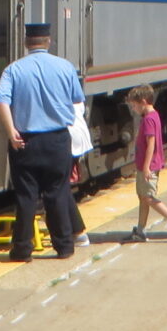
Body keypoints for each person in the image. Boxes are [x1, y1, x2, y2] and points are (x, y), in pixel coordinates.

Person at [0, 23, 85, 261]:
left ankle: (22, 250)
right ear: (49, 41)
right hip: (57, 140)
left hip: (25, 142)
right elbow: (76, 98)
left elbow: (0, 100)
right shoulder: (65, 67)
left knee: (26, 196)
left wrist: (11, 131)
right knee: (57, 192)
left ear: (26, 42)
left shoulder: (13, 70)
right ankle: (64, 246)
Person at [126, 85, 167, 242]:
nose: (133, 109)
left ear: (143, 102)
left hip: (149, 166)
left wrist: (146, 167)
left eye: (134, 105)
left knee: (149, 197)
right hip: (145, 165)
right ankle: (140, 230)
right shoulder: (153, 116)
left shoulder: (149, 120)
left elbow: (150, 143)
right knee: (143, 196)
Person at [68, 100, 94, 247]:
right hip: (75, 135)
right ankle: (74, 231)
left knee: (59, 187)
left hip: (67, 137)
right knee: (60, 187)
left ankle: (77, 232)